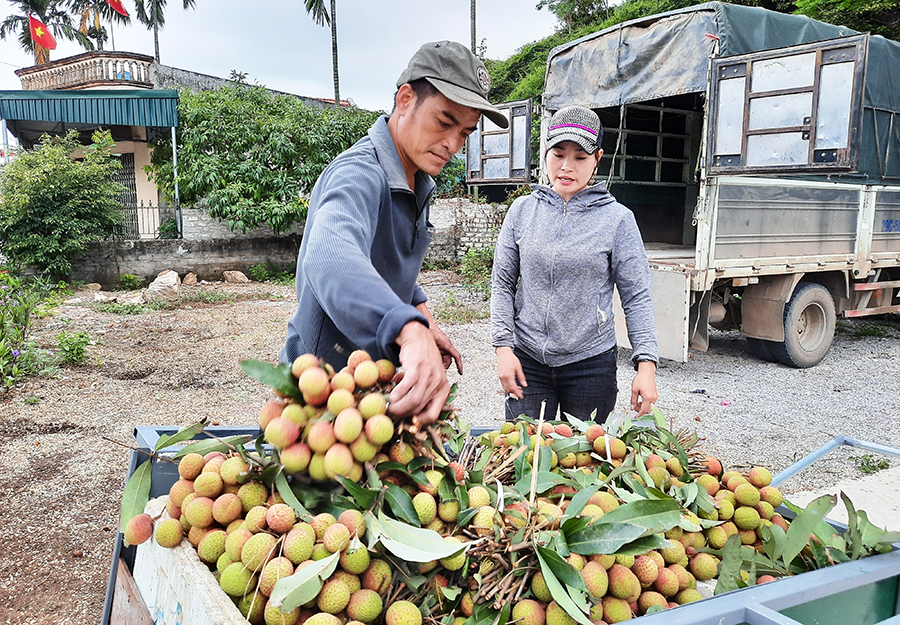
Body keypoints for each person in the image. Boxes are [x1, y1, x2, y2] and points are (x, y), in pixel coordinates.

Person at [281, 41, 509, 426]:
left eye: (466, 133)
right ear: (405, 99)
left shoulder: (415, 177)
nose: (453, 145)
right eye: (444, 122)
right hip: (324, 394)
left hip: (378, 391)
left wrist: (421, 315)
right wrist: (406, 329)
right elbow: (329, 253)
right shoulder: (359, 175)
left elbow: (386, 260)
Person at [490, 105, 658, 423]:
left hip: (591, 365)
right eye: (558, 154)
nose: (567, 167)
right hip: (527, 361)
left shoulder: (617, 219)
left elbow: (637, 297)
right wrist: (503, 348)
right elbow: (502, 283)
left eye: (580, 157)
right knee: (526, 460)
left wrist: (645, 365)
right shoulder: (523, 211)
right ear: (546, 152)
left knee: (583, 464)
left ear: (597, 158)